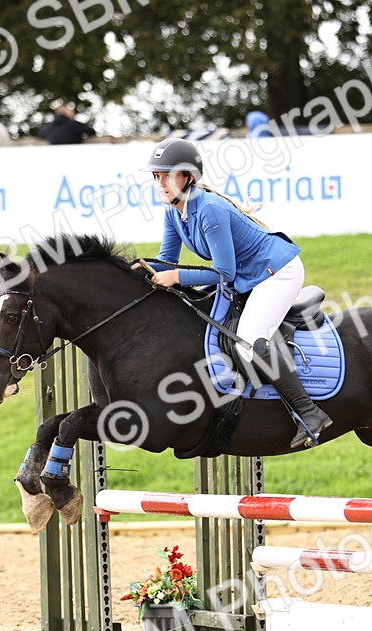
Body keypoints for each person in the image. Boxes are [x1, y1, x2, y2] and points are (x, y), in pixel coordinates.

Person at [142, 138, 332, 448]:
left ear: (188, 177)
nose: (161, 183)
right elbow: (167, 260)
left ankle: (310, 413)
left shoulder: (210, 210)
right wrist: (137, 268)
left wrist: (175, 276)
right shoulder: (173, 212)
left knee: (248, 343)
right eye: (157, 176)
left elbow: (223, 274)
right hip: (249, 277)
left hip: (277, 272)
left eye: (168, 175)